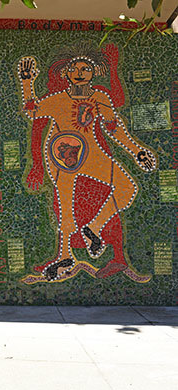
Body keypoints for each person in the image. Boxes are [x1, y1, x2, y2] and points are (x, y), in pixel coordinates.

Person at [17, 44, 157, 281]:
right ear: (67, 74)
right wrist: (27, 82)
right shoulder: (57, 99)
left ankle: (94, 227)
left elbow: (113, 128)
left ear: (93, 73)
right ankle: (64, 254)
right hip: (62, 156)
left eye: (86, 68)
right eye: (75, 68)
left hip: (91, 151)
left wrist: (136, 150)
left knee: (127, 187)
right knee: (65, 203)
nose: (80, 72)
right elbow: (32, 111)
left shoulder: (99, 97)